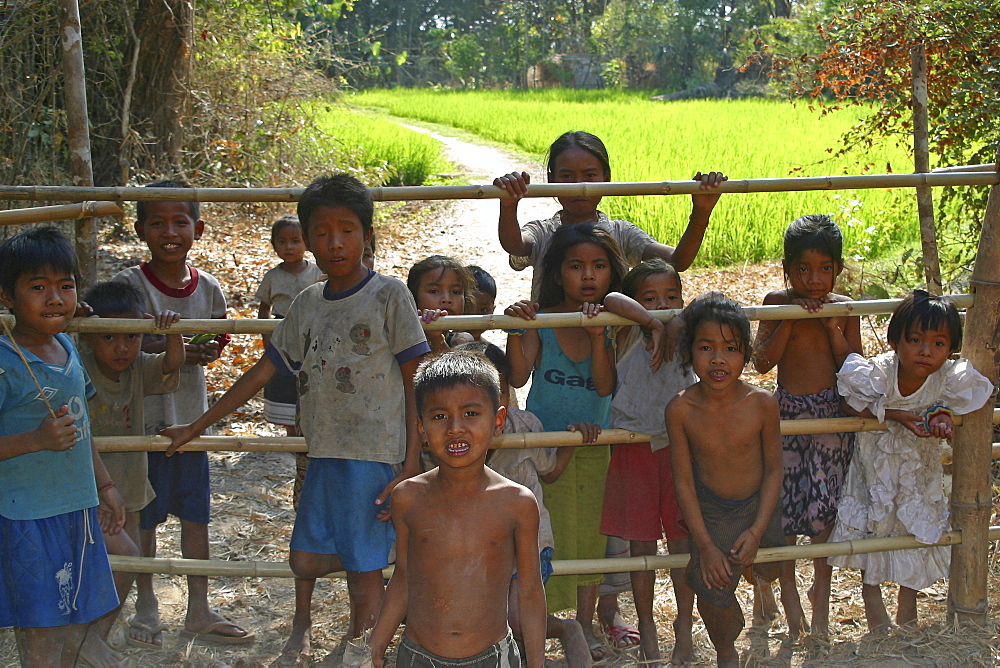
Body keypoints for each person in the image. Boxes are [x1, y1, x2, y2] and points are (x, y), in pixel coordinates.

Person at [161, 173, 430, 643]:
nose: (335, 243)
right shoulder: (307, 304)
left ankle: (363, 649)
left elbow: (416, 379)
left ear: (367, 236)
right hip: (323, 453)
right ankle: (388, 570)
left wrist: (410, 462)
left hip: (374, 455)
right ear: (307, 240)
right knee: (305, 559)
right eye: (321, 233)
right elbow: (263, 372)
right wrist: (197, 425)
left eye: (347, 230)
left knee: (364, 574)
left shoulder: (389, 295)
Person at [113, 180, 254, 646]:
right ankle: (147, 604)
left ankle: (198, 607)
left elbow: (218, 333)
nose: (169, 231)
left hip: (191, 420)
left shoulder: (207, 286)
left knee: (196, 518)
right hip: (145, 424)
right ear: (140, 230)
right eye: (157, 223)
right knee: (146, 520)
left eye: (179, 222)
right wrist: (166, 344)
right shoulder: (130, 286)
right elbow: (115, 344)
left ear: (198, 227)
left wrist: (205, 347)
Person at [829, 290, 993, 630]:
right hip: (874, 471)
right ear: (894, 340)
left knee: (916, 533)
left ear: (951, 350)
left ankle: (908, 611)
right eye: (915, 340)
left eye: (938, 343)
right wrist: (895, 415)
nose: (925, 351)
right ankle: (874, 609)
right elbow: (850, 405)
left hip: (918, 472)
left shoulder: (946, 377)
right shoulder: (880, 374)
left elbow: (942, 406)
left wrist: (941, 418)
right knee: (873, 531)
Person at [369, 351, 545, 668]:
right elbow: (403, 577)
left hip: (493, 657)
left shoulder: (517, 502)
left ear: (498, 421)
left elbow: (530, 592)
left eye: (471, 413)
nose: (455, 428)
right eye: (439, 417)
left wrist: (536, 664)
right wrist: (376, 647)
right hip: (417, 656)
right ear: (421, 427)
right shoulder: (408, 497)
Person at [503, 223, 626, 660]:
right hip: (544, 446)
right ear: (558, 273)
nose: (588, 276)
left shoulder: (609, 323)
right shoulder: (545, 317)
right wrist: (518, 330)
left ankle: (587, 624)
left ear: (612, 273)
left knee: (590, 532)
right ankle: (538, 619)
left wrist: (597, 339)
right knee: (545, 532)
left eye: (598, 266)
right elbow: (518, 376)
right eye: (576, 266)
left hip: (593, 444)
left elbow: (603, 386)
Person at [0, 227, 122, 667]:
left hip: (77, 510)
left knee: (75, 613)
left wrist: (104, 487)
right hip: (26, 516)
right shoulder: (4, 362)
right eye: (38, 287)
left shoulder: (67, 346)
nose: (55, 298)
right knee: (41, 629)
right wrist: (34, 440)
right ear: (6, 297)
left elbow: (81, 429)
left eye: (65, 286)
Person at [751, 214, 863, 636]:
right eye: (803, 269)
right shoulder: (776, 301)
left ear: (837, 268)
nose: (814, 280)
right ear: (786, 268)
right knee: (781, 509)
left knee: (825, 513)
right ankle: (788, 596)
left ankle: (820, 604)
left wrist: (833, 327)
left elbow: (852, 366)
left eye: (824, 269)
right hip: (787, 419)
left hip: (831, 417)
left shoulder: (845, 306)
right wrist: (791, 318)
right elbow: (762, 363)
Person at [456, 341, 592, 666]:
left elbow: (551, 471)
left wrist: (573, 440)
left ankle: (564, 629)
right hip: (473, 546)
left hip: (527, 545)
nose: (488, 405)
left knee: (516, 617)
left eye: (497, 391)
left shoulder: (525, 426)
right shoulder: (450, 437)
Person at [666, 295, 785, 668]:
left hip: (762, 502)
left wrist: (757, 530)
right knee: (711, 581)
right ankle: (726, 649)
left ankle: (763, 581)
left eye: (730, 349)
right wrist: (706, 547)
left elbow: (774, 470)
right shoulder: (681, 409)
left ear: (746, 353)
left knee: (776, 562)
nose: (718, 359)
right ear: (690, 352)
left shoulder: (762, 403)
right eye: (706, 347)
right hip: (714, 511)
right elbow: (684, 483)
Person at [493, 130, 727, 301]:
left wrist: (701, 211)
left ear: (607, 178)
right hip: (552, 351)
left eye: (590, 175)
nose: (578, 185)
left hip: (614, 351)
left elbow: (678, 261)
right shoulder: (544, 231)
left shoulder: (621, 232)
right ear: (551, 180)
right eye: (567, 176)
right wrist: (509, 205)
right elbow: (514, 244)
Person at [600, 259, 698, 665]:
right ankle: (648, 625)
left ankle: (684, 627)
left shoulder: (688, 333)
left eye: (671, 297)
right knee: (642, 545)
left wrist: (676, 321)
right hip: (634, 446)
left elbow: (707, 302)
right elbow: (610, 296)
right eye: (650, 298)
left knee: (681, 540)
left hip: (678, 449)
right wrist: (655, 323)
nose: (663, 304)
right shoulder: (625, 331)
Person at [79, 281, 184, 655]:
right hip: (88, 488)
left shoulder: (139, 366)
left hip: (131, 481)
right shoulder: (79, 364)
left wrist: (170, 331)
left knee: (137, 548)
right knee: (92, 559)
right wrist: (76, 323)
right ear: (88, 337)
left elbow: (173, 363)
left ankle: (128, 613)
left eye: (131, 336)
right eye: (107, 336)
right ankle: (86, 635)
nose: (121, 347)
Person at [253, 213, 325, 659]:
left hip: (353, 444)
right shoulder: (285, 290)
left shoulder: (373, 298)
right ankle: (303, 619)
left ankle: (364, 624)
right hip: (312, 440)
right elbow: (266, 350)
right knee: (306, 511)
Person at [407, 255, 475, 353]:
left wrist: (436, 339)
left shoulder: (462, 340)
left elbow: (453, 368)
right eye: (434, 291)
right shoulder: (400, 335)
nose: (447, 299)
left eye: (456, 292)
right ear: (413, 296)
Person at [465, 265, 497, 342]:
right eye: (467, 308)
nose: (475, 318)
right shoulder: (439, 341)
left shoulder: (491, 351)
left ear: (493, 310)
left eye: (483, 309)